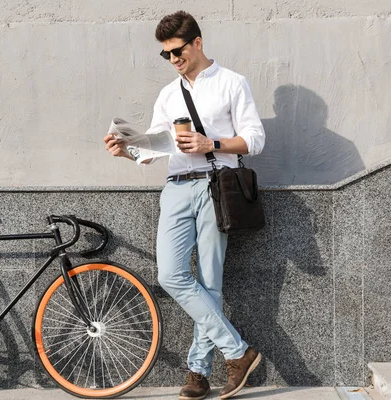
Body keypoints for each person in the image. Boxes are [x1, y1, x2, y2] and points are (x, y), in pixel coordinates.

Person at [103, 10, 265, 400]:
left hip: (215, 186)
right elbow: (157, 146)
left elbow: (256, 139)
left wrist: (213, 144)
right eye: (166, 55)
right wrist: (127, 151)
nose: (174, 60)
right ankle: (238, 351)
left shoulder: (231, 83)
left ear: (197, 43)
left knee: (209, 281)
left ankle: (198, 372)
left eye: (178, 51)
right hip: (176, 186)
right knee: (172, 275)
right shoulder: (168, 93)